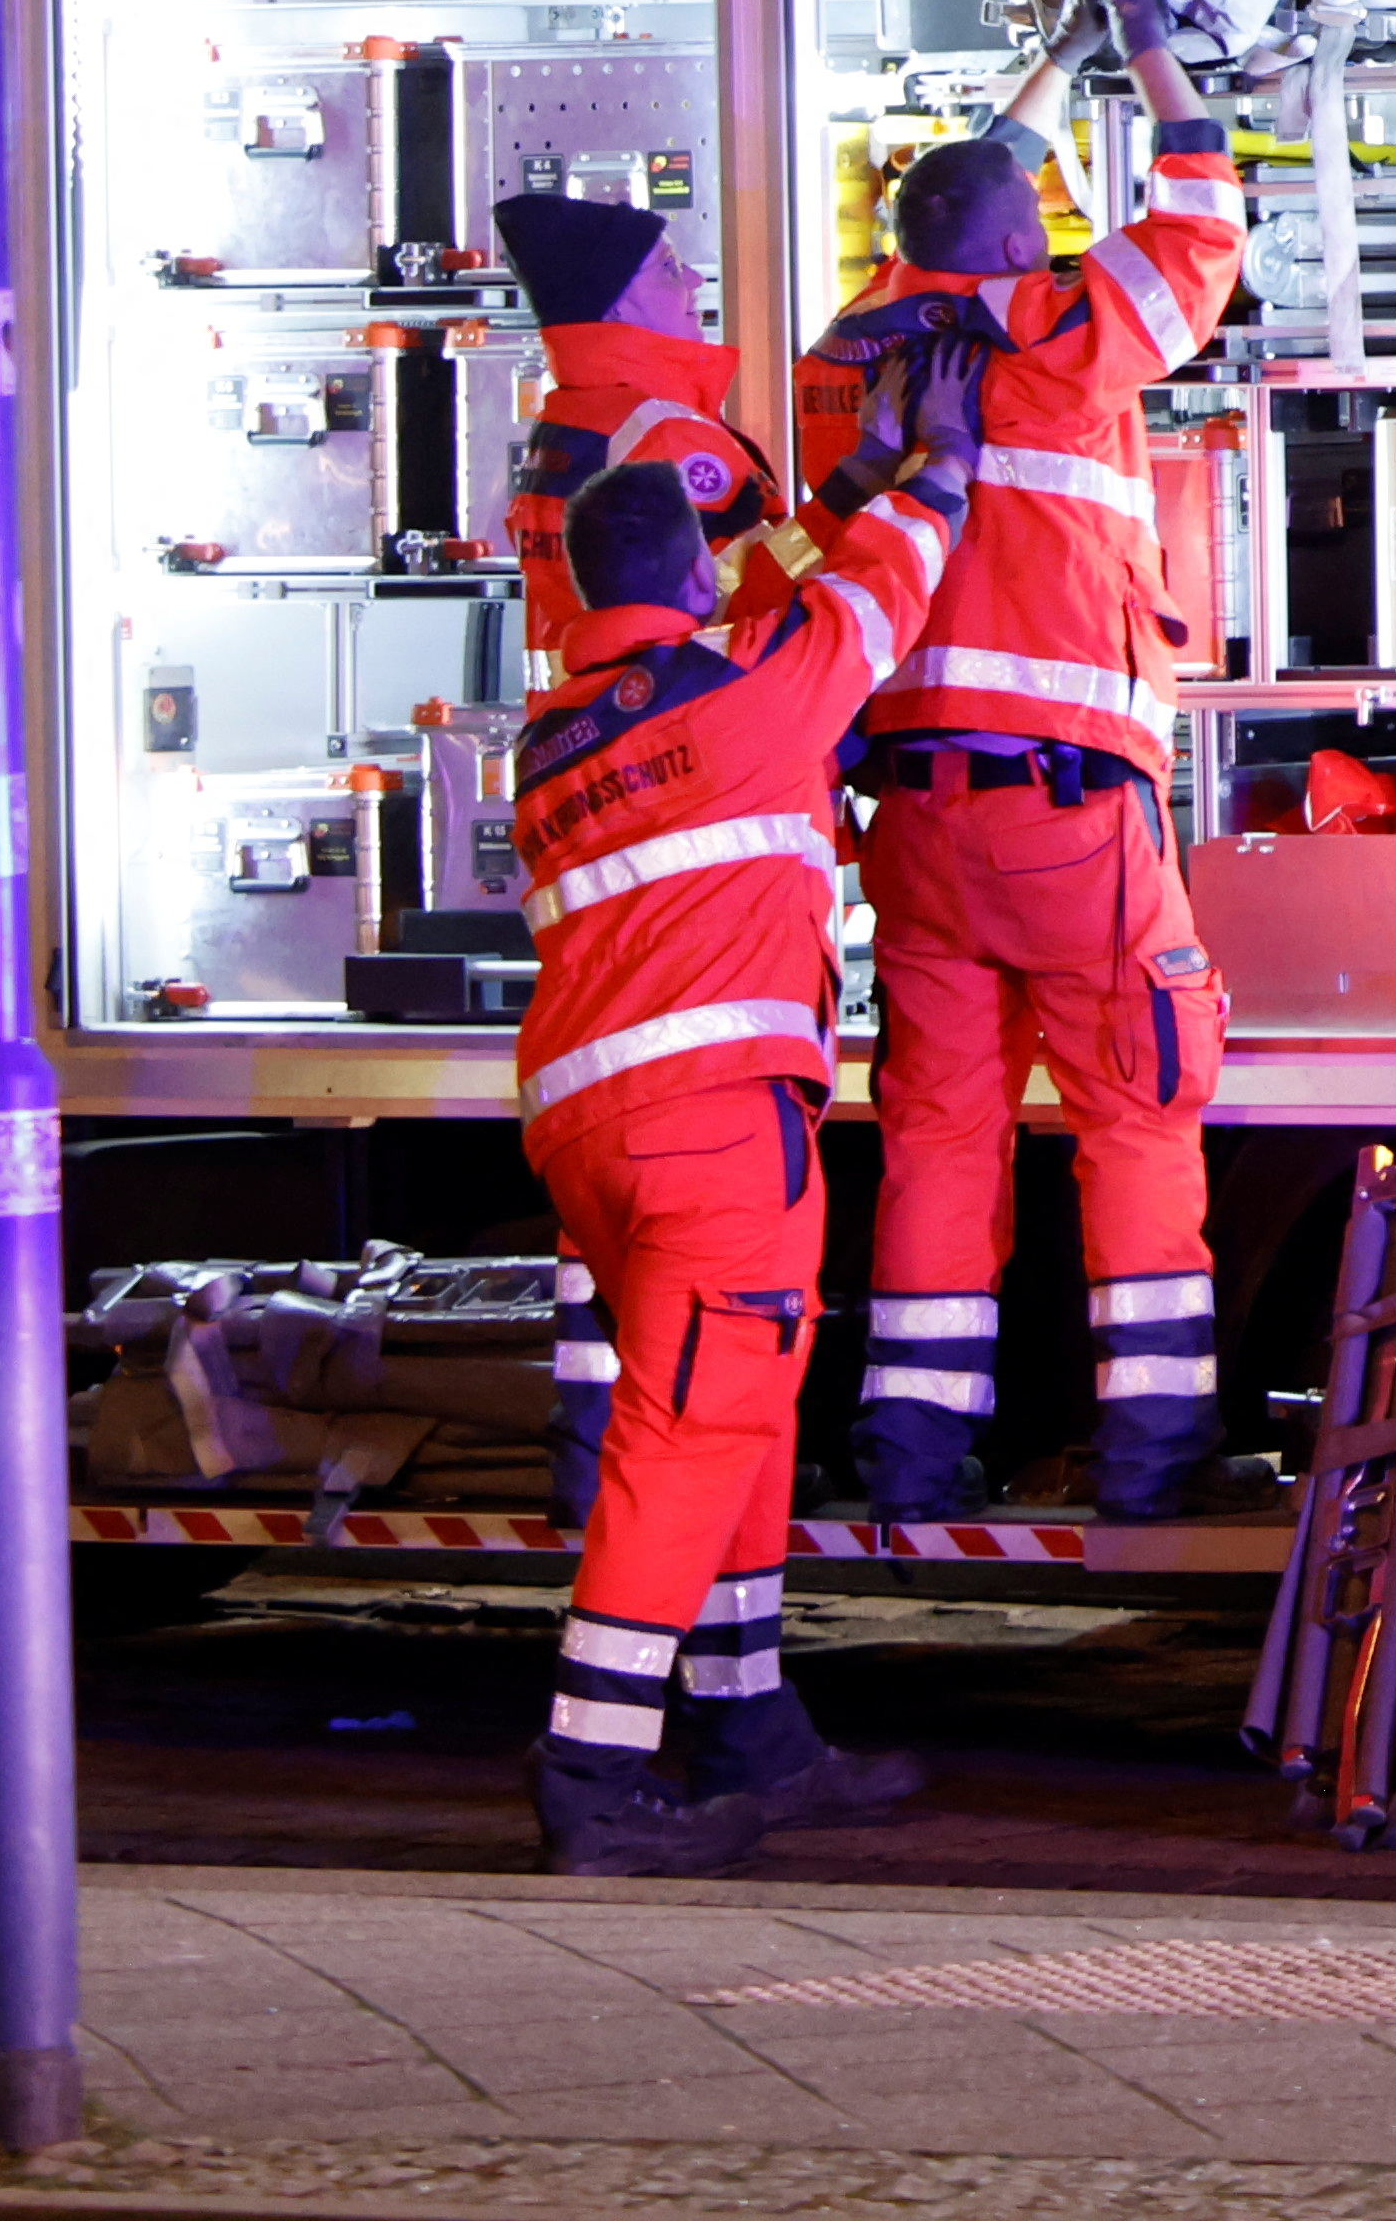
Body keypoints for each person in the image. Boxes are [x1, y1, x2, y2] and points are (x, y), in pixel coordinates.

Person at [512, 371, 976, 1872]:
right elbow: (876, 601)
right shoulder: (751, 691)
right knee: (694, 1431)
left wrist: (829, 509)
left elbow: (770, 617)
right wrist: (932, 466)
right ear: (696, 575)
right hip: (712, 1125)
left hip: (594, 1126)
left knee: (741, 1418)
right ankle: (593, 1774)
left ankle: (749, 1723)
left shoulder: (559, 738)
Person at [830, 0, 1257, 1525]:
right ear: (1024, 248)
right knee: (1136, 1114)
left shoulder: (863, 348)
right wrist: (1143, 44)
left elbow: (955, 197)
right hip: (1073, 822)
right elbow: (1204, 220)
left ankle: (913, 1452)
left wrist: (1050, 58)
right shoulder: (1067, 332)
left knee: (940, 1138)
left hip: (923, 829)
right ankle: (1152, 1454)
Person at [493, 190, 755, 654]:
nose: (693, 279)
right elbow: (758, 598)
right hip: (683, 708)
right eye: (669, 269)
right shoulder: (668, 434)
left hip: (597, 706)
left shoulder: (564, 422)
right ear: (614, 305)